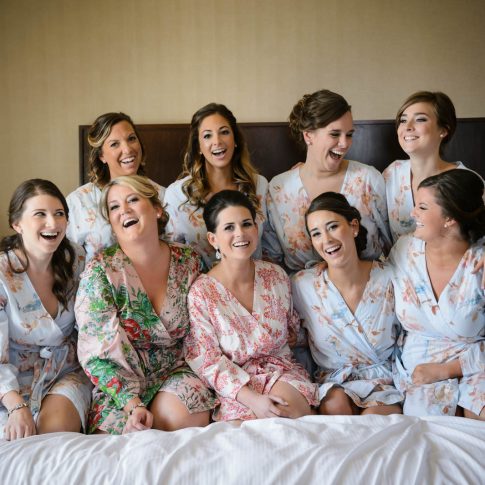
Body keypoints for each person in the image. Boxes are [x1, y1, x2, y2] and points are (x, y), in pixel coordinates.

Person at [75, 175, 215, 434]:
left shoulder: (189, 261)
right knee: (119, 443)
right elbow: (96, 354)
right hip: (121, 386)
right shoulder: (101, 272)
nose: (124, 210)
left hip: (177, 371)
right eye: (114, 207)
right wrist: (131, 405)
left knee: (181, 417)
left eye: (133, 200)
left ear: (157, 210)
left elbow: (206, 328)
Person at [184, 190, 318, 422]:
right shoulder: (202, 293)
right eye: (229, 228)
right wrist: (252, 399)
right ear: (213, 239)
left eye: (246, 224)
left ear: (256, 229)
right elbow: (208, 360)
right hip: (236, 386)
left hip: (282, 373)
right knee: (245, 436)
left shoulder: (276, 276)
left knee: (281, 416)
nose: (240, 233)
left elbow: (293, 332)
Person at [291, 192, 402, 415]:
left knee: (377, 423)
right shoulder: (303, 285)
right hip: (333, 383)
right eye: (316, 234)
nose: (327, 240)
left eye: (332, 227)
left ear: (353, 227)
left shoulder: (390, 278)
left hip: (383, 381)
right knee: (336, 406)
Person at [0, 179, 91, 441]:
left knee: (54, 436)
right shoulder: (3, 274)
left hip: (65, 371)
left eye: (59, 214)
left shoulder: (76, 259)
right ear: (17, 224)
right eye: (40, 214)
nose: (53, 223)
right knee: (15, 444)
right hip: (10, 382)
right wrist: (16, 405)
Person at [390, 170, 485, 419]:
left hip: (476, 362)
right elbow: (366, 274)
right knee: (428, 431)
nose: (412, 213)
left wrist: (449, 370)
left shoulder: (479, 264)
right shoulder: (404, 251)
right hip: (419, 369)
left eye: (422, 207)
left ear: (450, 218)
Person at [267, 89, 391, 273]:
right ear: (308, 135)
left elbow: (393, 246)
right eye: (335, 134)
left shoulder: (368, 180)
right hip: (303, 295)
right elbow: (272, 258)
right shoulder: (279, 189)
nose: (344, 143)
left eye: (349, 134)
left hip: (367, 287)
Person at [164, 103, 279, 270]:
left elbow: (271, 248)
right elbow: (171, 255)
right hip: (200, 287)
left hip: (254, 281)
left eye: (224, 132)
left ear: (235, 140)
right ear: (199, 147)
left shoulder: (259, 185)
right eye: (207, 136)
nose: (217, 141)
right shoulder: (177, 194)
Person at [383, 91, 483, 243]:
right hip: (399, 265)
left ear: (443, 130)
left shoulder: (466, 180)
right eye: (403, 120)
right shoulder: (393, 173)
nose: (408, 127)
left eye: (420, 119)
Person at [67, 112, 165, 261]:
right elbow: (68, 262)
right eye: (114, 144)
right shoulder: (79, 202)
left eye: (131, 139)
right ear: (101, 156)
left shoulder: (162, 195)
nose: (127, 149)